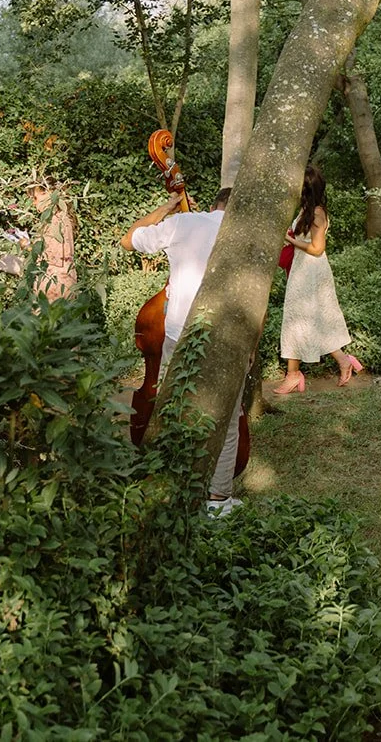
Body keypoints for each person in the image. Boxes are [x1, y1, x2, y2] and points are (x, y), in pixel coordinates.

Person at [121, 187, 243, 516]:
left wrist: (168, 207)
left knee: (169, 409)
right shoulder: (246, 232)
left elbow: (129, 239)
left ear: (214, 204)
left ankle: (167, 486)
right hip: (228, 335)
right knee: (228, 421)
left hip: (180, 334)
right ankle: (218, 501)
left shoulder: (184, 223)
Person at [274, 164, 362, 394]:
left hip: (311, 271)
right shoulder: (306, 210)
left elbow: (316, 248)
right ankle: (340, 361)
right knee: (305, 319)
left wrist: (290, 241)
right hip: (302, 269)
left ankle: (294, 374)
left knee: (299, 318)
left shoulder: (317, 212)